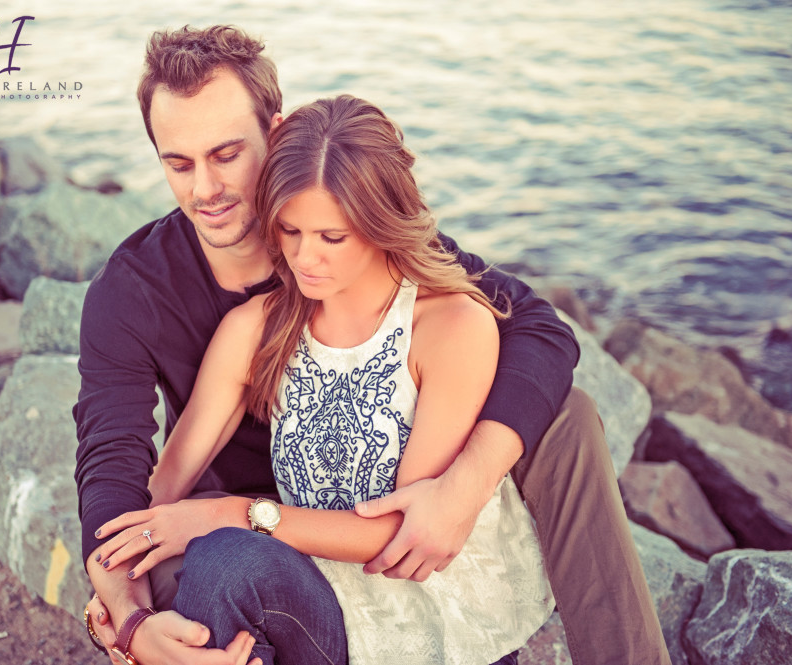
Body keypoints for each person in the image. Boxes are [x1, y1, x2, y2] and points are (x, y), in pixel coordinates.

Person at [74, 24, 670, 665]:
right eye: (178, 163)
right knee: (209, 568)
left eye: (226, 155)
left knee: (566, 416)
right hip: (234, 516)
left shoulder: (348, 220)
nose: (204, 191)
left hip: (377, 495)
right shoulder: (140, 293)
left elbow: (539, 328)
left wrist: (462, 489)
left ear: (275, 134)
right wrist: (124, 613)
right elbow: (114, 464)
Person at [94, 94, 557, 665]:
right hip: (323, 602)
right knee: (215, 568)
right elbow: (157, 495)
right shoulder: (256, 328)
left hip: (430, 614)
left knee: (223, 549)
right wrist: (119, 604)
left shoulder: (452, 326)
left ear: (380, 223)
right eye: (288, 231)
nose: (303, 258)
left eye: (330, 237)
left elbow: (394, 535)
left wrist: (226, 513)